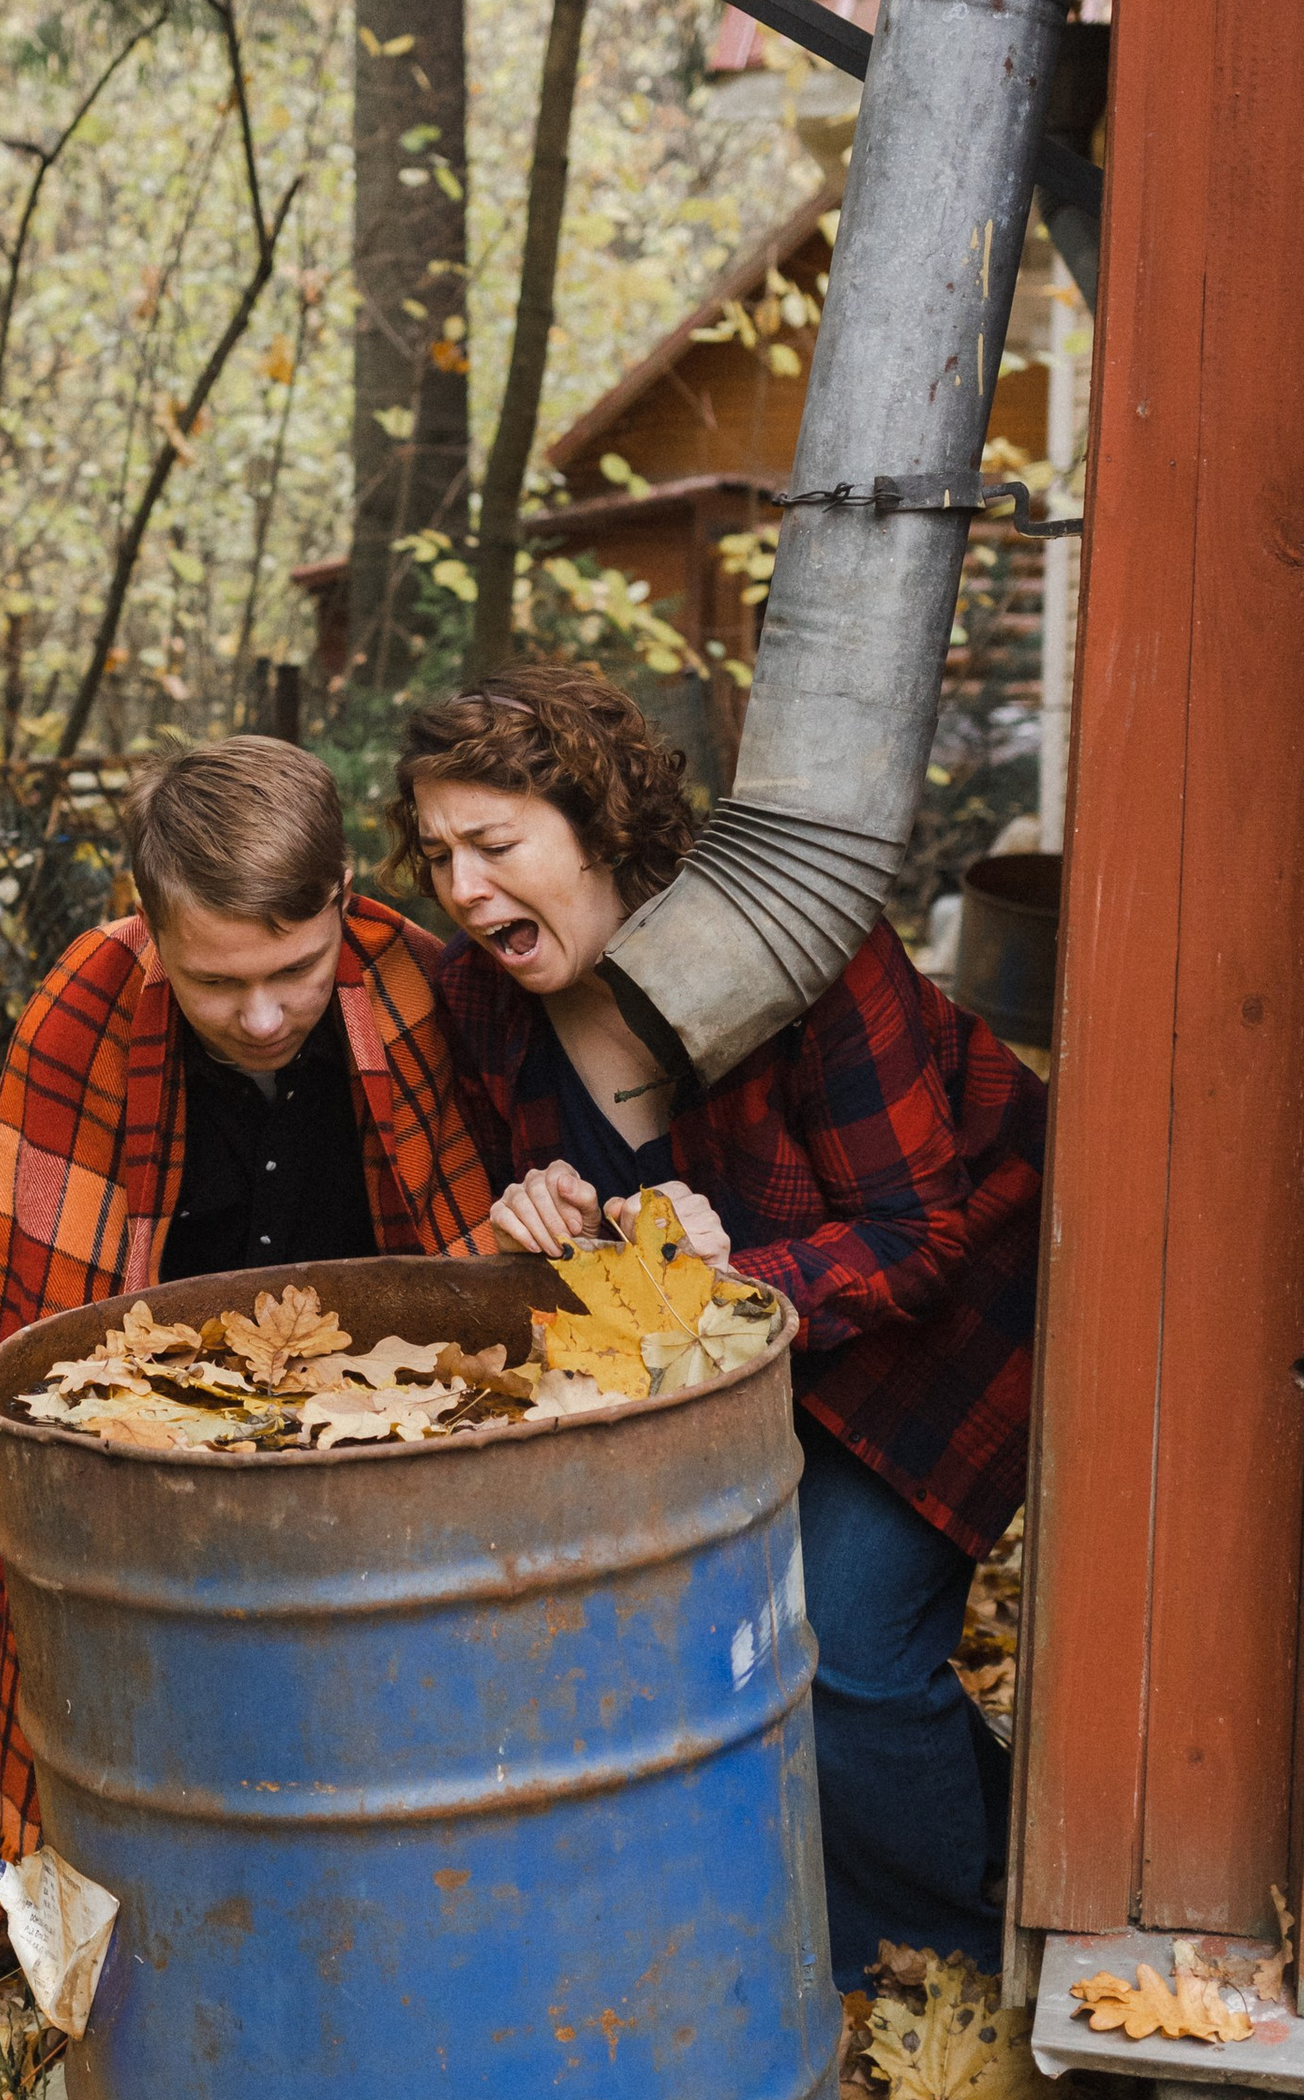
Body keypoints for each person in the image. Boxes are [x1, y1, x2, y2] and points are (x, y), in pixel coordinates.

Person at [391, 663, 1044, 1990]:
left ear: (602, 828)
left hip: (956, 1312)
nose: (462, 890)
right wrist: (534, 1214)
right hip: (738, 1355)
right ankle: (1012, 1848)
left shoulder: (801, 947)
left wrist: (734, 1269)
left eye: (496, 847)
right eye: (438, 855)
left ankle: (943, 1976)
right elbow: (565, 1248)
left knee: (842, 1647)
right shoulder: (479, 1002)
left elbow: (915, 1237)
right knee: (733, 1632)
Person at [0, 737, 496, 1943]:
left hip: (388, 1447)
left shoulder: (417, 986)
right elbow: (28, 1335)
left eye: (294, 971)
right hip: (159, 1459)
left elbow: (476, 1275)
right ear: (152, 931)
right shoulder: (84, 1012)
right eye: (213, 983)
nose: (260, 1014)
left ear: (343, 893)